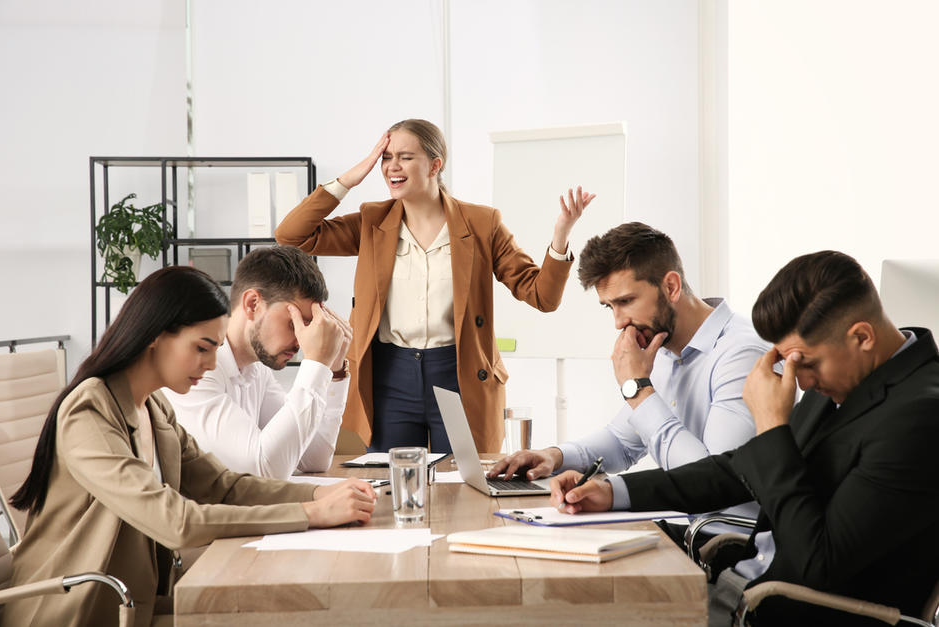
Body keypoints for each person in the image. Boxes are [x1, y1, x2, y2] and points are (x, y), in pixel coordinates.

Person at [549, 251, 939, 627]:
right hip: (741, 585)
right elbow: (737, 468)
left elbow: (817, 563)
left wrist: (772, 426)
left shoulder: (920, 417)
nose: (801, 382)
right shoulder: (845, 377)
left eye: (805, 363)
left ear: (862, 337)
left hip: (786, 611)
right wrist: (612, 492)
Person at [4, 266, 376, 627]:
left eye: (216, 349)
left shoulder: (154, 407)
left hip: (133, 601)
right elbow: (176, 521)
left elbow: (225, 487)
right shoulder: (90, 410)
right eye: (201, 348)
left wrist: (319, 494)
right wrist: (312, 513)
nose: (212, 364)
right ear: (155, 335)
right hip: (77, 611)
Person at [275, 118, 594, 453]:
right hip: (389, 377)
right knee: (393, 479)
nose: (391, 167)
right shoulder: (372, 221)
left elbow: (542, 296)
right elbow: (291, 235)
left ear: (434, 165)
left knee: (462, 478)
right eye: (386, 157)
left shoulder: (482, 224)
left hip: (459, 375)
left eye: (405, 157)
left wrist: (561, 235)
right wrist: (350, 178)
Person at [488, 222, 768, 544]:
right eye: (610, 306)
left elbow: (714, 483)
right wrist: (554, 456)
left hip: (728, 545)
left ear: (671, 287)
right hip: (684, 531)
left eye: (626, 301)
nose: (618, 322)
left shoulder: (741, 354)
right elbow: (622, 442)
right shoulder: (662, 347)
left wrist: (637, 389)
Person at [163, 246, 352, 479]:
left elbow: (314, 458)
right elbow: (265, 470)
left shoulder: (256, 370)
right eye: (293, 324)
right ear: (252, 304)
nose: (301, 342)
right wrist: (316, 364)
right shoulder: (198, 369)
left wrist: (334, 371)